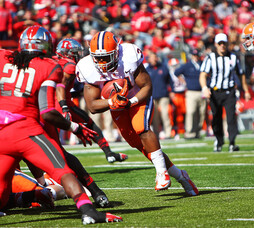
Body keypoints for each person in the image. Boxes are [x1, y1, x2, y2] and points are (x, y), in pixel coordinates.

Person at [0, 26, 122, 226]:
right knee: (63, 171)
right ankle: (88, 211)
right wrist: (74, 127)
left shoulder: (2, 60)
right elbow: (47, 112)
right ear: (47, 45)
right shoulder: (49, 66)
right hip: (26, 131)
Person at [76, 31, 198, 196]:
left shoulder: (128, 57)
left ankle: (162, 173)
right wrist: (113, 101)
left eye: (107, 57)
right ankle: (180, 175)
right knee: (138, 144)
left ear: (117, 53)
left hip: (136, 97)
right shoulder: (86, 67)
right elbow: (92, 106)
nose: (102, 62)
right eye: (99, 58)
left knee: (141, 128)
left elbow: (147, 86)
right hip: (116, 105)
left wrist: (131, 102)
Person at [55, 38, 127, 163]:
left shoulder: (52, 61)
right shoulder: (70, 65)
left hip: (53, 101)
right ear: (67, 53)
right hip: (58, 102)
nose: (78, 55)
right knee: (53, 139)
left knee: (89, 123)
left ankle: (109, 153)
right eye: (75, 52)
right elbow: (60, 86)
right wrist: (64, 107)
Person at [199, 33, 251, 153]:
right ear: (216, 45)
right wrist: (204, 88)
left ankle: (232, 142)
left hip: (229, 92)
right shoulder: (210, 57)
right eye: (220, 43)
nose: (222, 46)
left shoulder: (233, 57)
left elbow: (241, 74)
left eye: (224, 43)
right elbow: (203, 75)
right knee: (216, 118)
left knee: (231, 118)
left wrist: (246, 90)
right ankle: (219, 140)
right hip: (215, 92)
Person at [174, 49, 206, 139]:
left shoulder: (202, 63)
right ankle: (189, 132)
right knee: (191, 112)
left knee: (201, 113)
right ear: (192, 56)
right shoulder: (187, 65)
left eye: (197, 55)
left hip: (202, 91)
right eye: (194, 55)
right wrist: (184, 82)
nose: (196, 57)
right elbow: (176, 73)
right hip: (191, 92)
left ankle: (197, 132)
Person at [145, 52, 172, 139]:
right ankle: (156, 134)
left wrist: (172, 91)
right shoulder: (146, 69)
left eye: (155, 57)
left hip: (163, 94)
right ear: (149, 59)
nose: (154, 59)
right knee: (155, 117)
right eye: (152, 57)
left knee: (165, 114)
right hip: (152, 96)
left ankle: (168, 133)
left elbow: (170, 80)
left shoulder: (163, 67)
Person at [168, 58, 186, 138]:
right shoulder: (169, 73)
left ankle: (183, 129)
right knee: (174, 113)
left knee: (183, 112)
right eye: (173, 65)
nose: (175, 67)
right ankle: (175, 130)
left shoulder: (181, 73)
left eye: (176, 65)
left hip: (183, 93)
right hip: (174, 94)